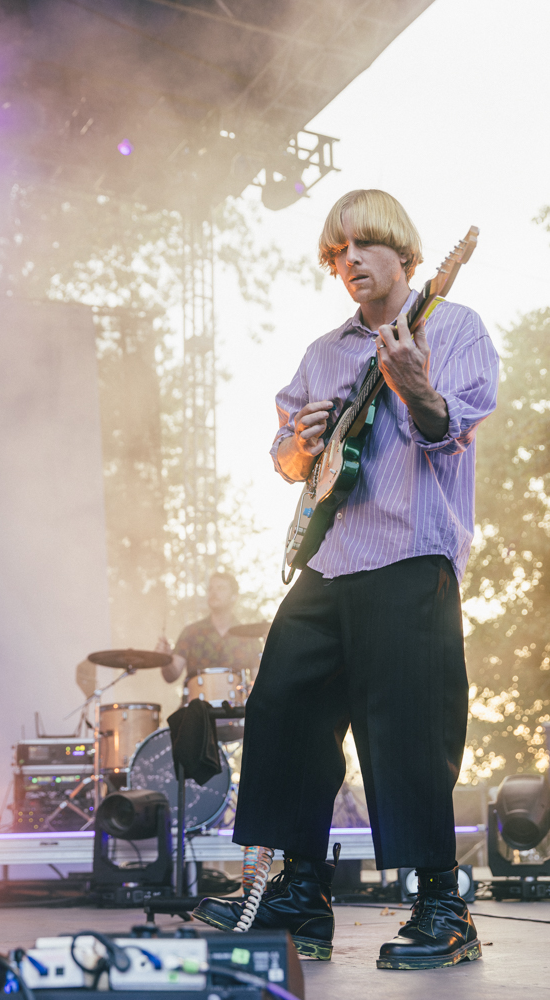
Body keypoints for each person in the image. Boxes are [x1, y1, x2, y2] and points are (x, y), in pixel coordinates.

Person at [193, 190, 499, 971]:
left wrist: (412, 386)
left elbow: (446, 428)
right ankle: (300, 898)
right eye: (335, 255)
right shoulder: (321, 352)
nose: (349, 263)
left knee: (405, 731)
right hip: (329, 558)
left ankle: (442, 906)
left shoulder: (452, 328)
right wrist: (295, 450)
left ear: (405, 254)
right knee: (282, 711)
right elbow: (289, 458)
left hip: (409, 555)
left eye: (363, 246)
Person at [158, 571, 259, 693]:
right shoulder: (191, 632)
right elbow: (170, 676)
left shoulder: (249, 636)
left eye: (220, 588)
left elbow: (258, 682)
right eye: (210, 588)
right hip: (196, 709)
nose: (214, 592)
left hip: (236, 710)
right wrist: (163, 659)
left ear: (234, 596)